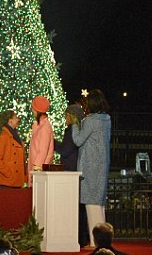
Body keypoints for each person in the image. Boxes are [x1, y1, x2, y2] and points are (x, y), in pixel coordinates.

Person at [72, 89, 112, 246]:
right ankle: (104, 238)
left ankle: (96, 241)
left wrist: (76, 124)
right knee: (99, 203)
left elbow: (78, 140)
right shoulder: (106, 119)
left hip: (90, 165)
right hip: (102, 164)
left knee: (91, 203)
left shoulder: (90, 121)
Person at [55, 103, 87, 246]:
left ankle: (78, 237)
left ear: (72, 116)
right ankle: (82, 237)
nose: (64, 118)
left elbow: (65, 150)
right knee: (79, 206)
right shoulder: (81, 129)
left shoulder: (71, 131)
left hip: (70, 171)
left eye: (66, 115)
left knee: (74, 207)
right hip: (75, 170)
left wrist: (53, 142)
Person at [0, 110, 25, 187]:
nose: (18, 120)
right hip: (7, 182)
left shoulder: (14, 135)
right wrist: (8, 173)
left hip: (15, 180)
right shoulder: (4, 137)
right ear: (10, 120)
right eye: (15, 117)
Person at [28, 96, 53, 183]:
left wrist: (36, 168)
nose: (32, 110)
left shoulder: (44, 127)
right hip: (37, 168)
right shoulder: (40, 125)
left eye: (33, 108)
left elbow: (43, 150)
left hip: (39, 170)